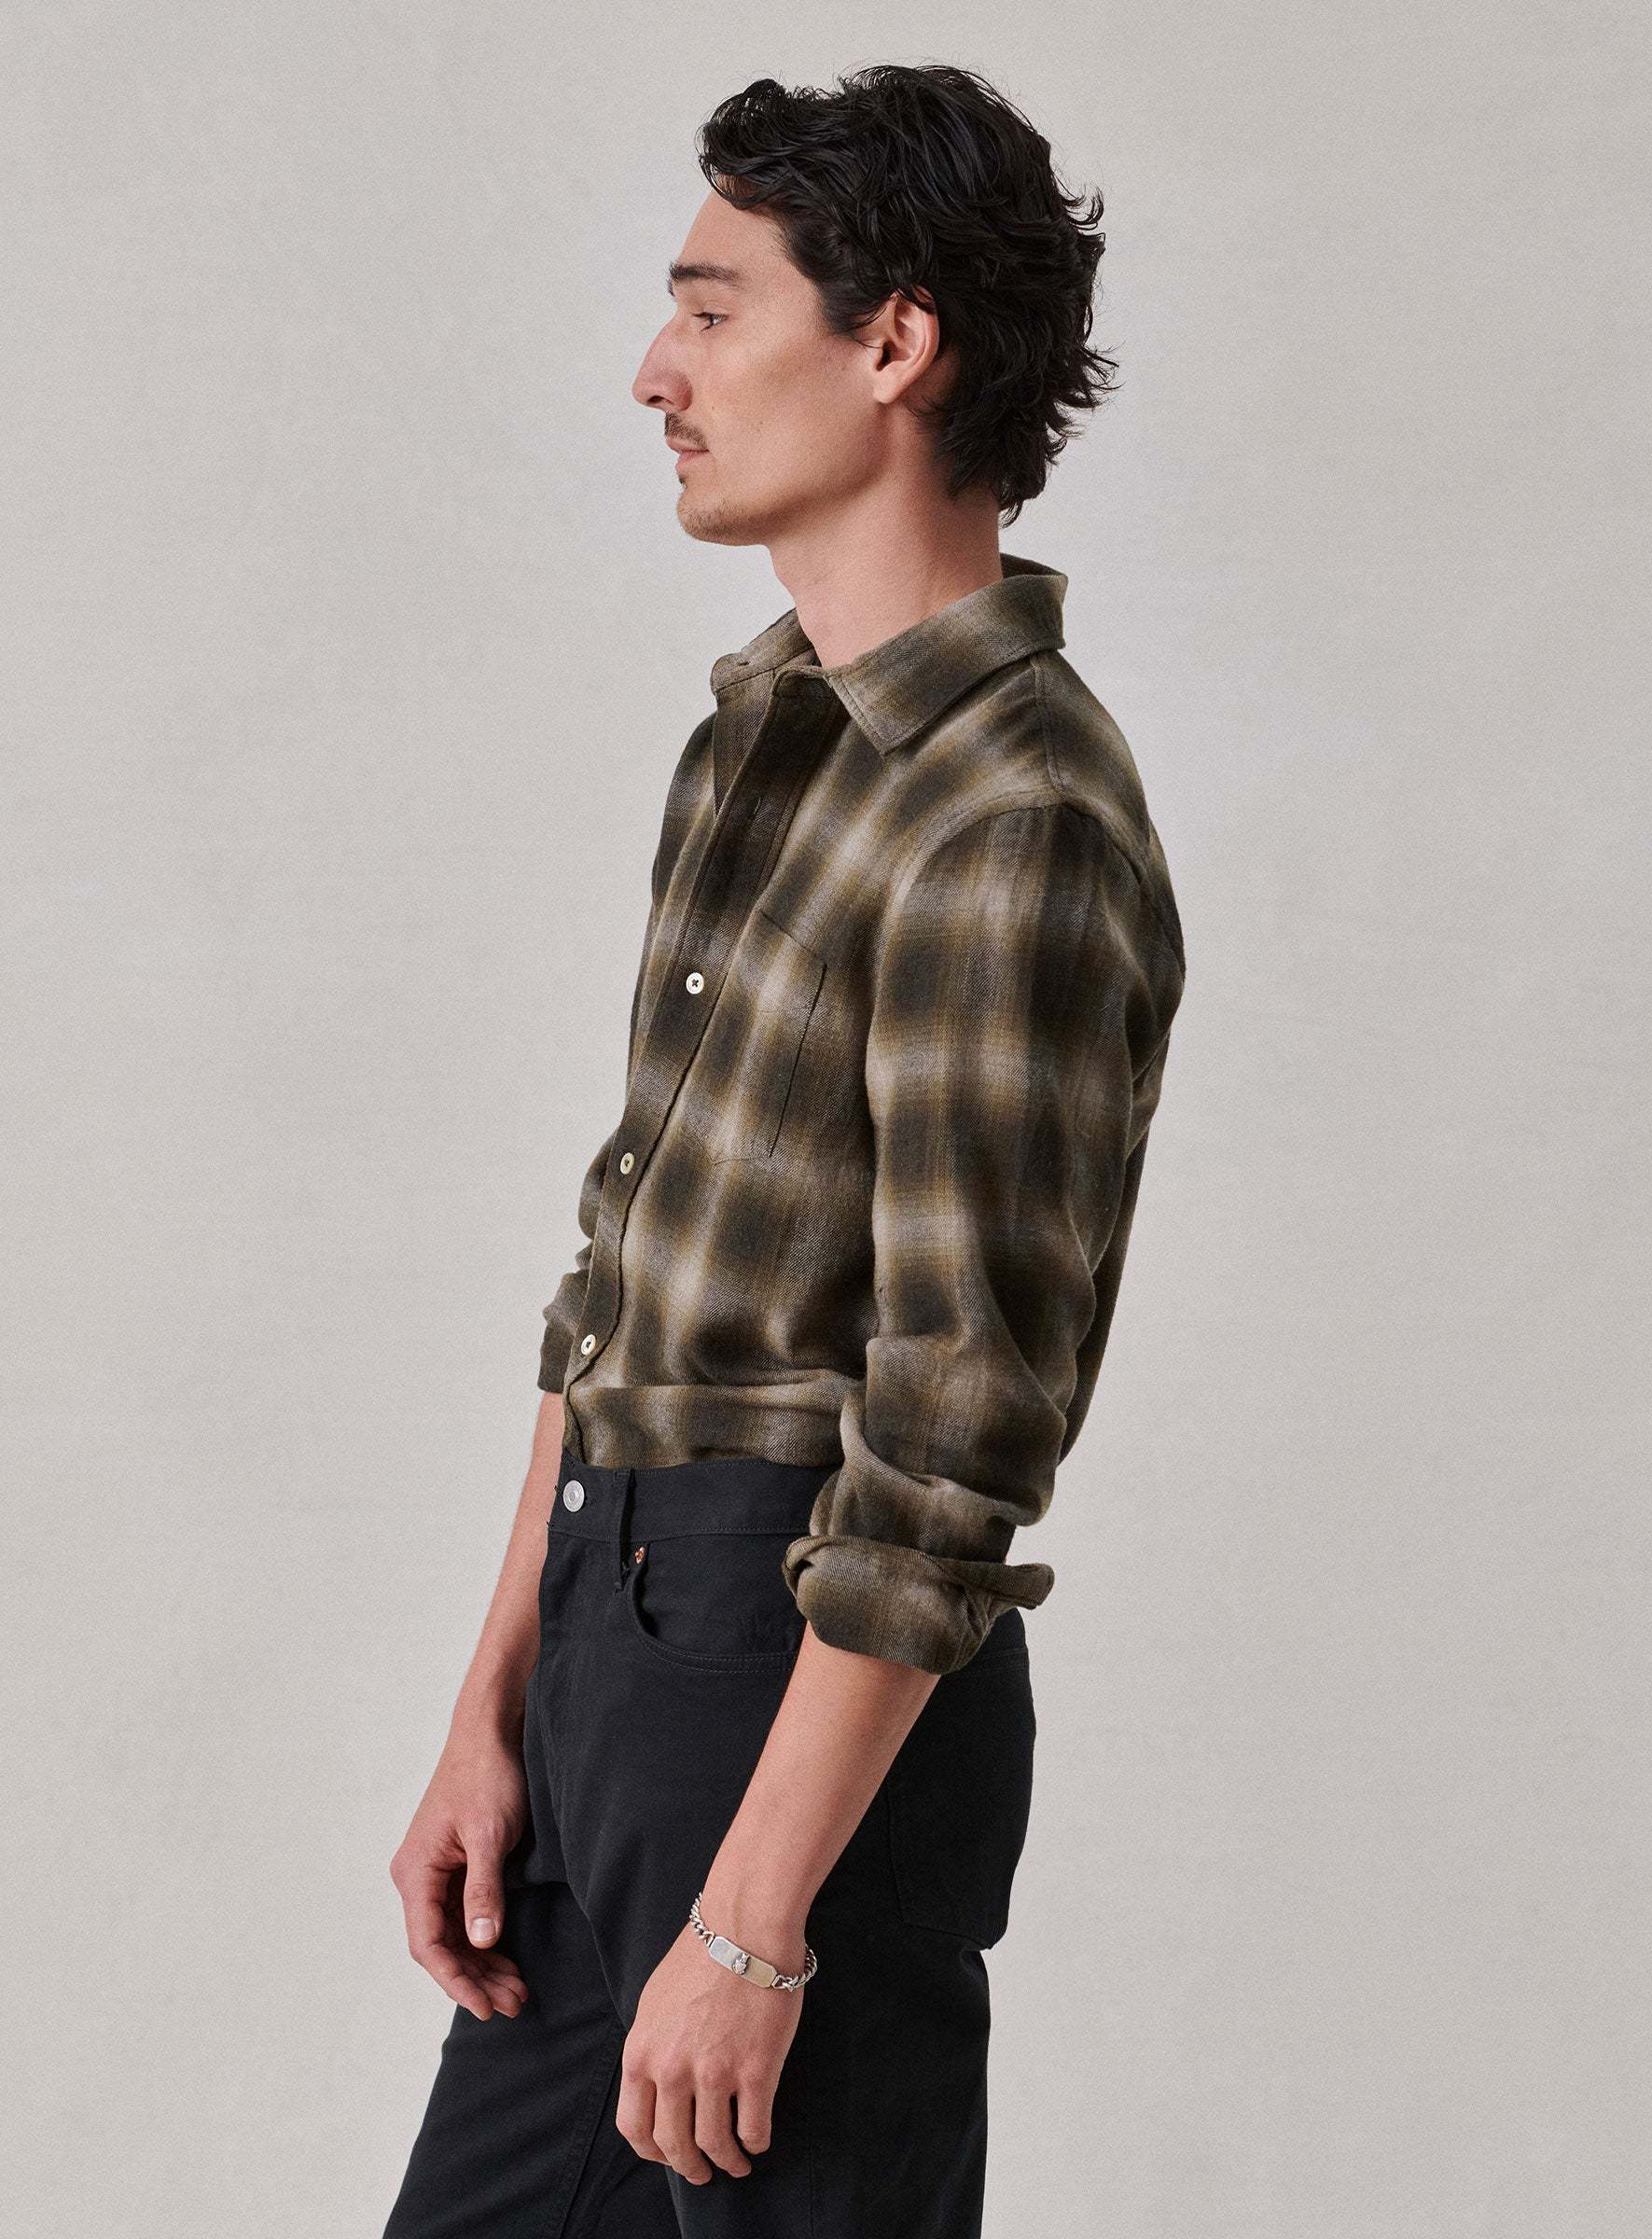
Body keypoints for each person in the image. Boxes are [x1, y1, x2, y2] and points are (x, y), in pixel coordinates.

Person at [382, 60, 1187, 2238]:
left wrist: (751, 1927)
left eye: (713, 309)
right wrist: (497, 1708)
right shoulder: (768, 741)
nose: (658, 372)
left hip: (798, 1686)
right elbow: (617, 1279)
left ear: (895, 344)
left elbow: (950, 1436)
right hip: (616, 1640)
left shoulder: (1013, 819)